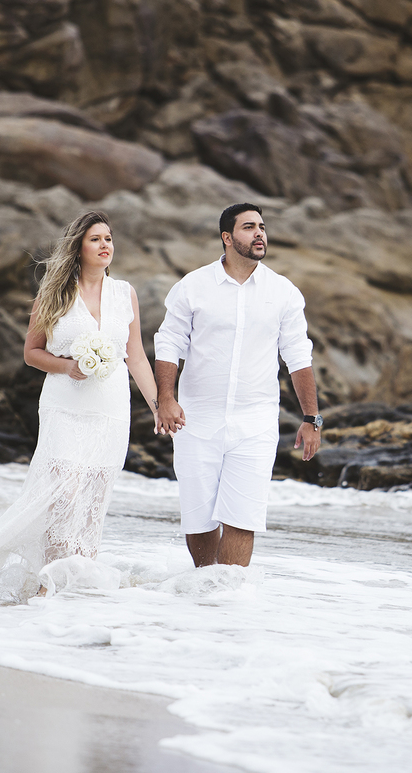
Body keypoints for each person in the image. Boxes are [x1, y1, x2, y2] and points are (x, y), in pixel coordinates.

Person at [0, 210, 161, 599]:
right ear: (78, 246)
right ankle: (49, 582)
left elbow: (135, 357)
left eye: (109, 239)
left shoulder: (124, 293)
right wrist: (68, 366)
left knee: (94, 499)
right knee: (62, 493)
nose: (105, 246)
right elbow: (32, 352)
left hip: (111, 410)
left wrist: (158, 405)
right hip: (64, 407)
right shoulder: (55, 293)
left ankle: (79, 585)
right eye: (96, 239)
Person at [154, 203, 322, 568]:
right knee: (199, 519)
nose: (260, 233)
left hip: (256, 423)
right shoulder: (193, 286)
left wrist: (312, 418)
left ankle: (227, 599)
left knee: (242, 518)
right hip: (196, 419)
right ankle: (204, 589)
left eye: (262, 226)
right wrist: (164, 398)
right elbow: (169, 343)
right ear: (227, 238)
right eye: (249, 227)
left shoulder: (284, 292)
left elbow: (298, 356)